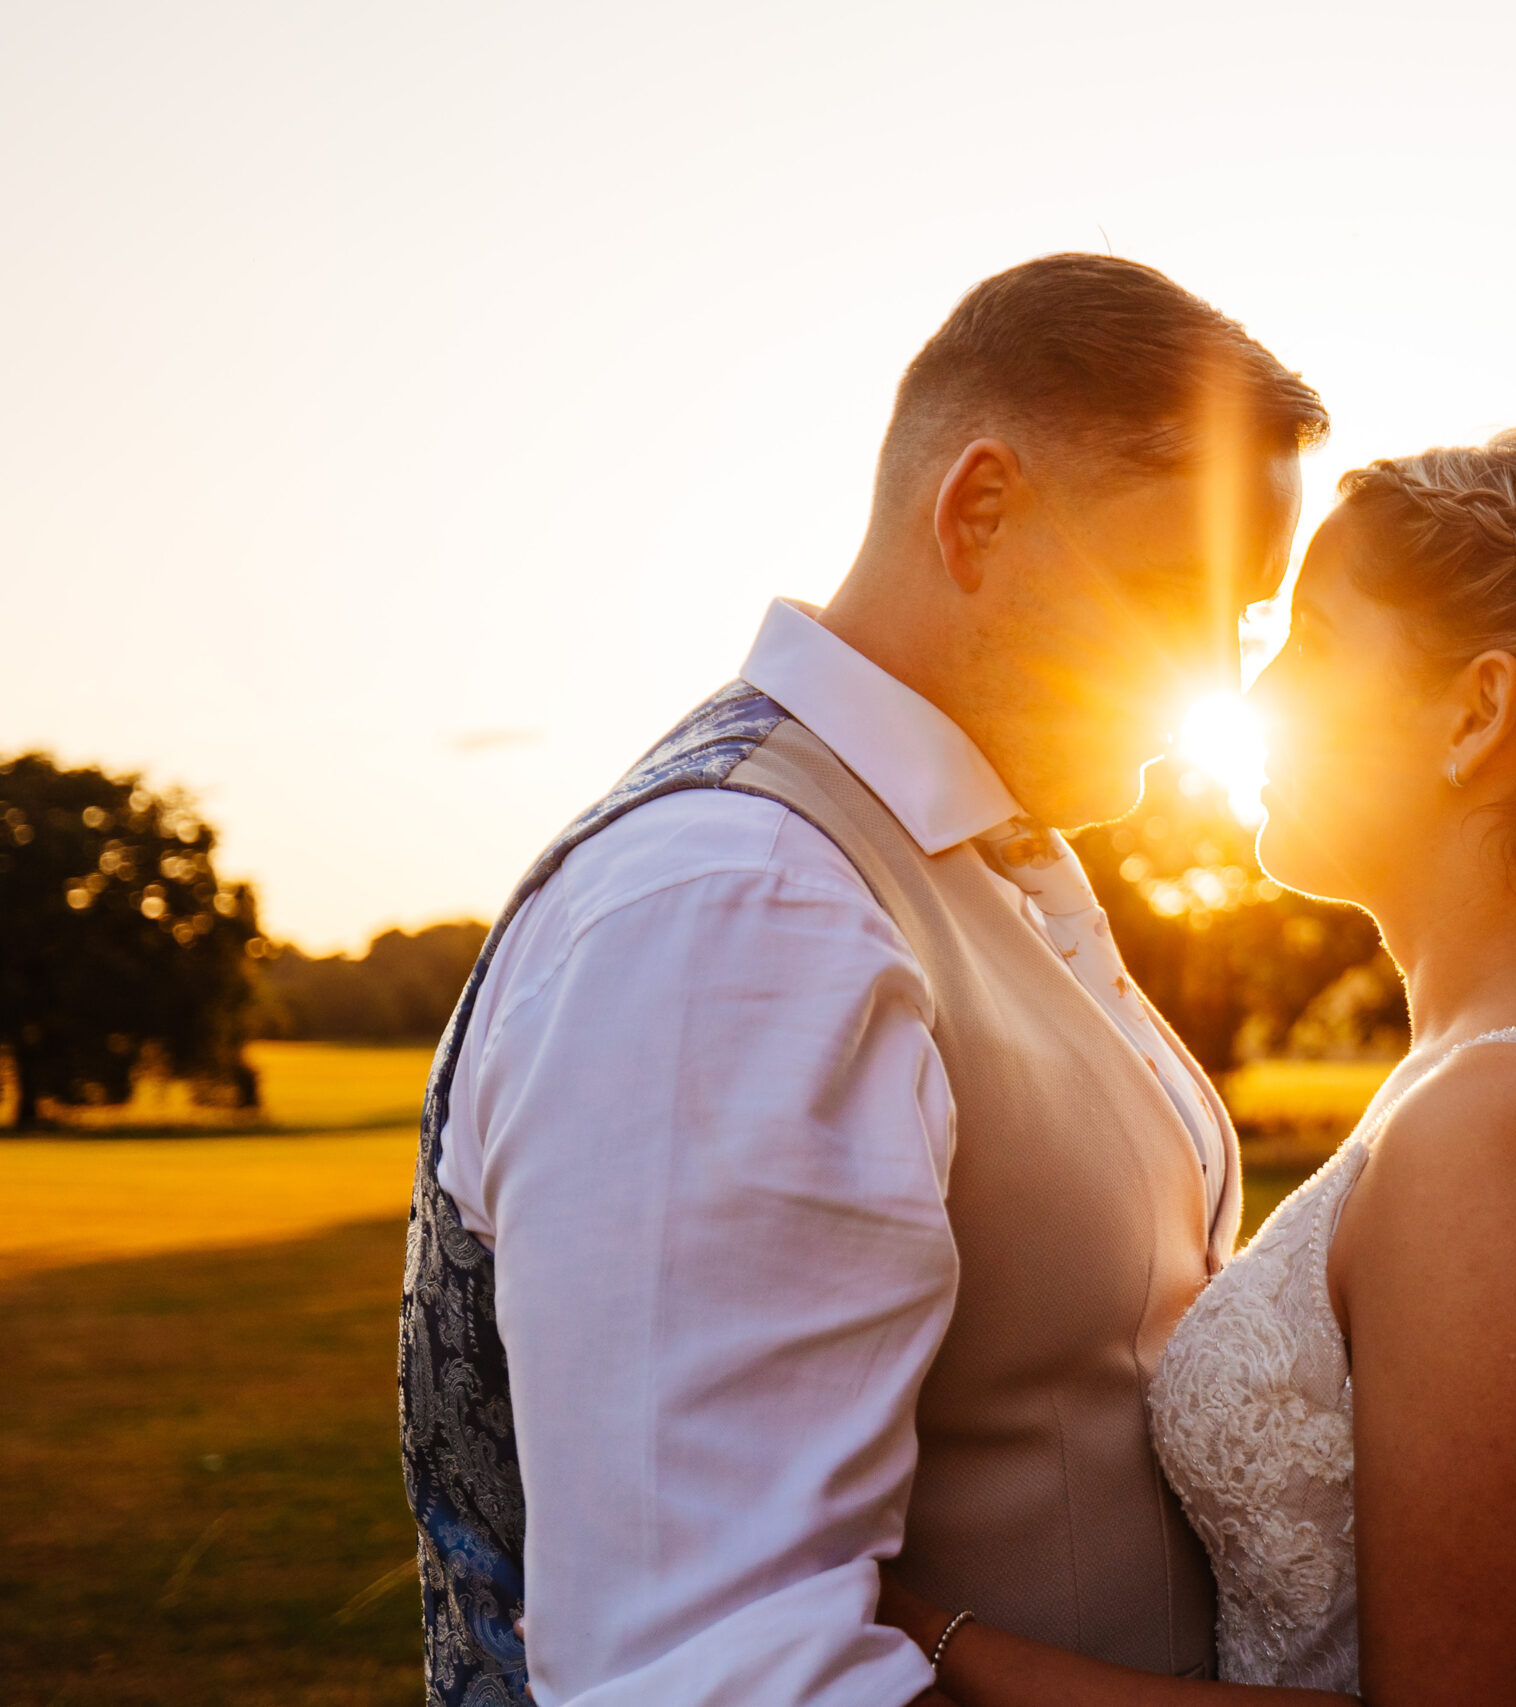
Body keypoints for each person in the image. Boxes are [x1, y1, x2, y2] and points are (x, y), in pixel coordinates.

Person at [398, 253, 1327, 1706]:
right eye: (1175, 593)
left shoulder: (965, 852)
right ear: (979, 514)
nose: (1222, 672)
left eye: (1251, 617)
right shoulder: (745, 904)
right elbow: (720, 1671)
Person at [877, 427, 1516, 1707]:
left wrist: (933, 1644)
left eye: (1310, 649)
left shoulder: (1511, 1116)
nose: (1252, 702)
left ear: (1475, 714)